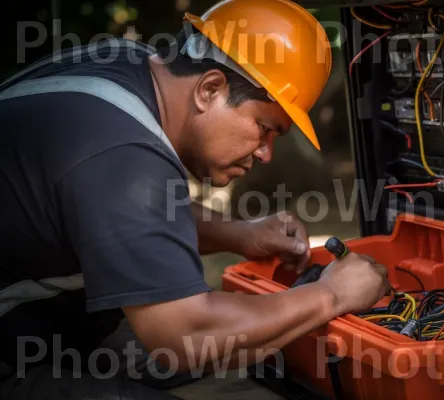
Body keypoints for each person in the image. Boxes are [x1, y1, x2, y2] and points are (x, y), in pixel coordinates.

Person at [0, 0, 390, 398]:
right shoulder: (124, 153)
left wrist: (238, 234)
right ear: (210, 89)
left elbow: (121, 216)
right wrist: (332, 294)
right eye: (264, 128)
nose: (265, 153)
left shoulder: (130, 68)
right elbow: (182, 336)